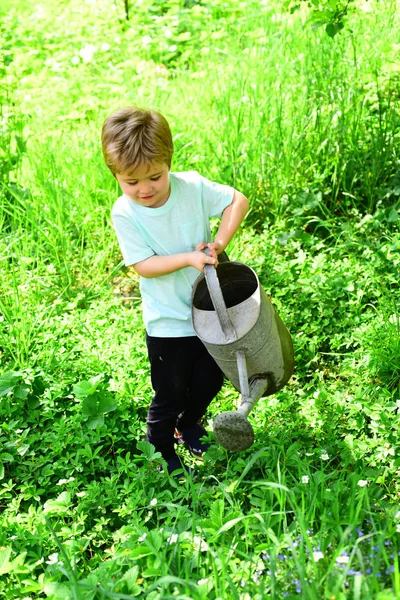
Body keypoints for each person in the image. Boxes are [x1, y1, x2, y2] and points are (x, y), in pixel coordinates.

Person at [102, 107, 249, 476]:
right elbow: (142, 266)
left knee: (210, 380)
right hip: (168, 323)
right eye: (131, 181)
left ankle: (189, 424)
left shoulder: (192, 187)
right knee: (170, 390)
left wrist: (218, 242)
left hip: (209, 313)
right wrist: (186, 258)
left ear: (169, 162)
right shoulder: (126, 213)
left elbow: (238, 201)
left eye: (154, 176)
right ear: (116, 175)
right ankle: (161, 447)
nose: (145, 189)